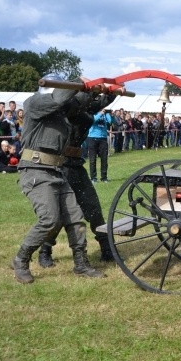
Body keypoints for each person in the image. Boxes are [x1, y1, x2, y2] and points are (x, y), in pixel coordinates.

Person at [11, 74, 104, 284]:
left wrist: (94, 90)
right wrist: (81, 85)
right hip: (35, 171)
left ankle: (81, 264)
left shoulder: (61, 111)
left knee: (75, 218)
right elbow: (60, 99)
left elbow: (79, 103)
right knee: (49, 220)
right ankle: (21, 259)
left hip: (56, 170)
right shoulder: (34, 103)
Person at [38, 92, 116, 268]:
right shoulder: (63, 108)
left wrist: (110, 94)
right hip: (58, 166)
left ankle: (106, 248)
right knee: (58, 212)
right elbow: (77, 107)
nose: (89, 100)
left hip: (75, 165)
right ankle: (45, 250)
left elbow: (93, 105)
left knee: (93, 207)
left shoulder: (84, 107)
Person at [87, 107, 112, 182]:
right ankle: (93, 178)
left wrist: (107, 113)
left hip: (103, 138)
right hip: (92, 138)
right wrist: (101, 113)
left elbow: (110, 122)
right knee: (92, 159)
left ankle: (104, 177)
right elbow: (93, 120)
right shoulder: (93, 113)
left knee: (104, 159)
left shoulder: (105, 114)